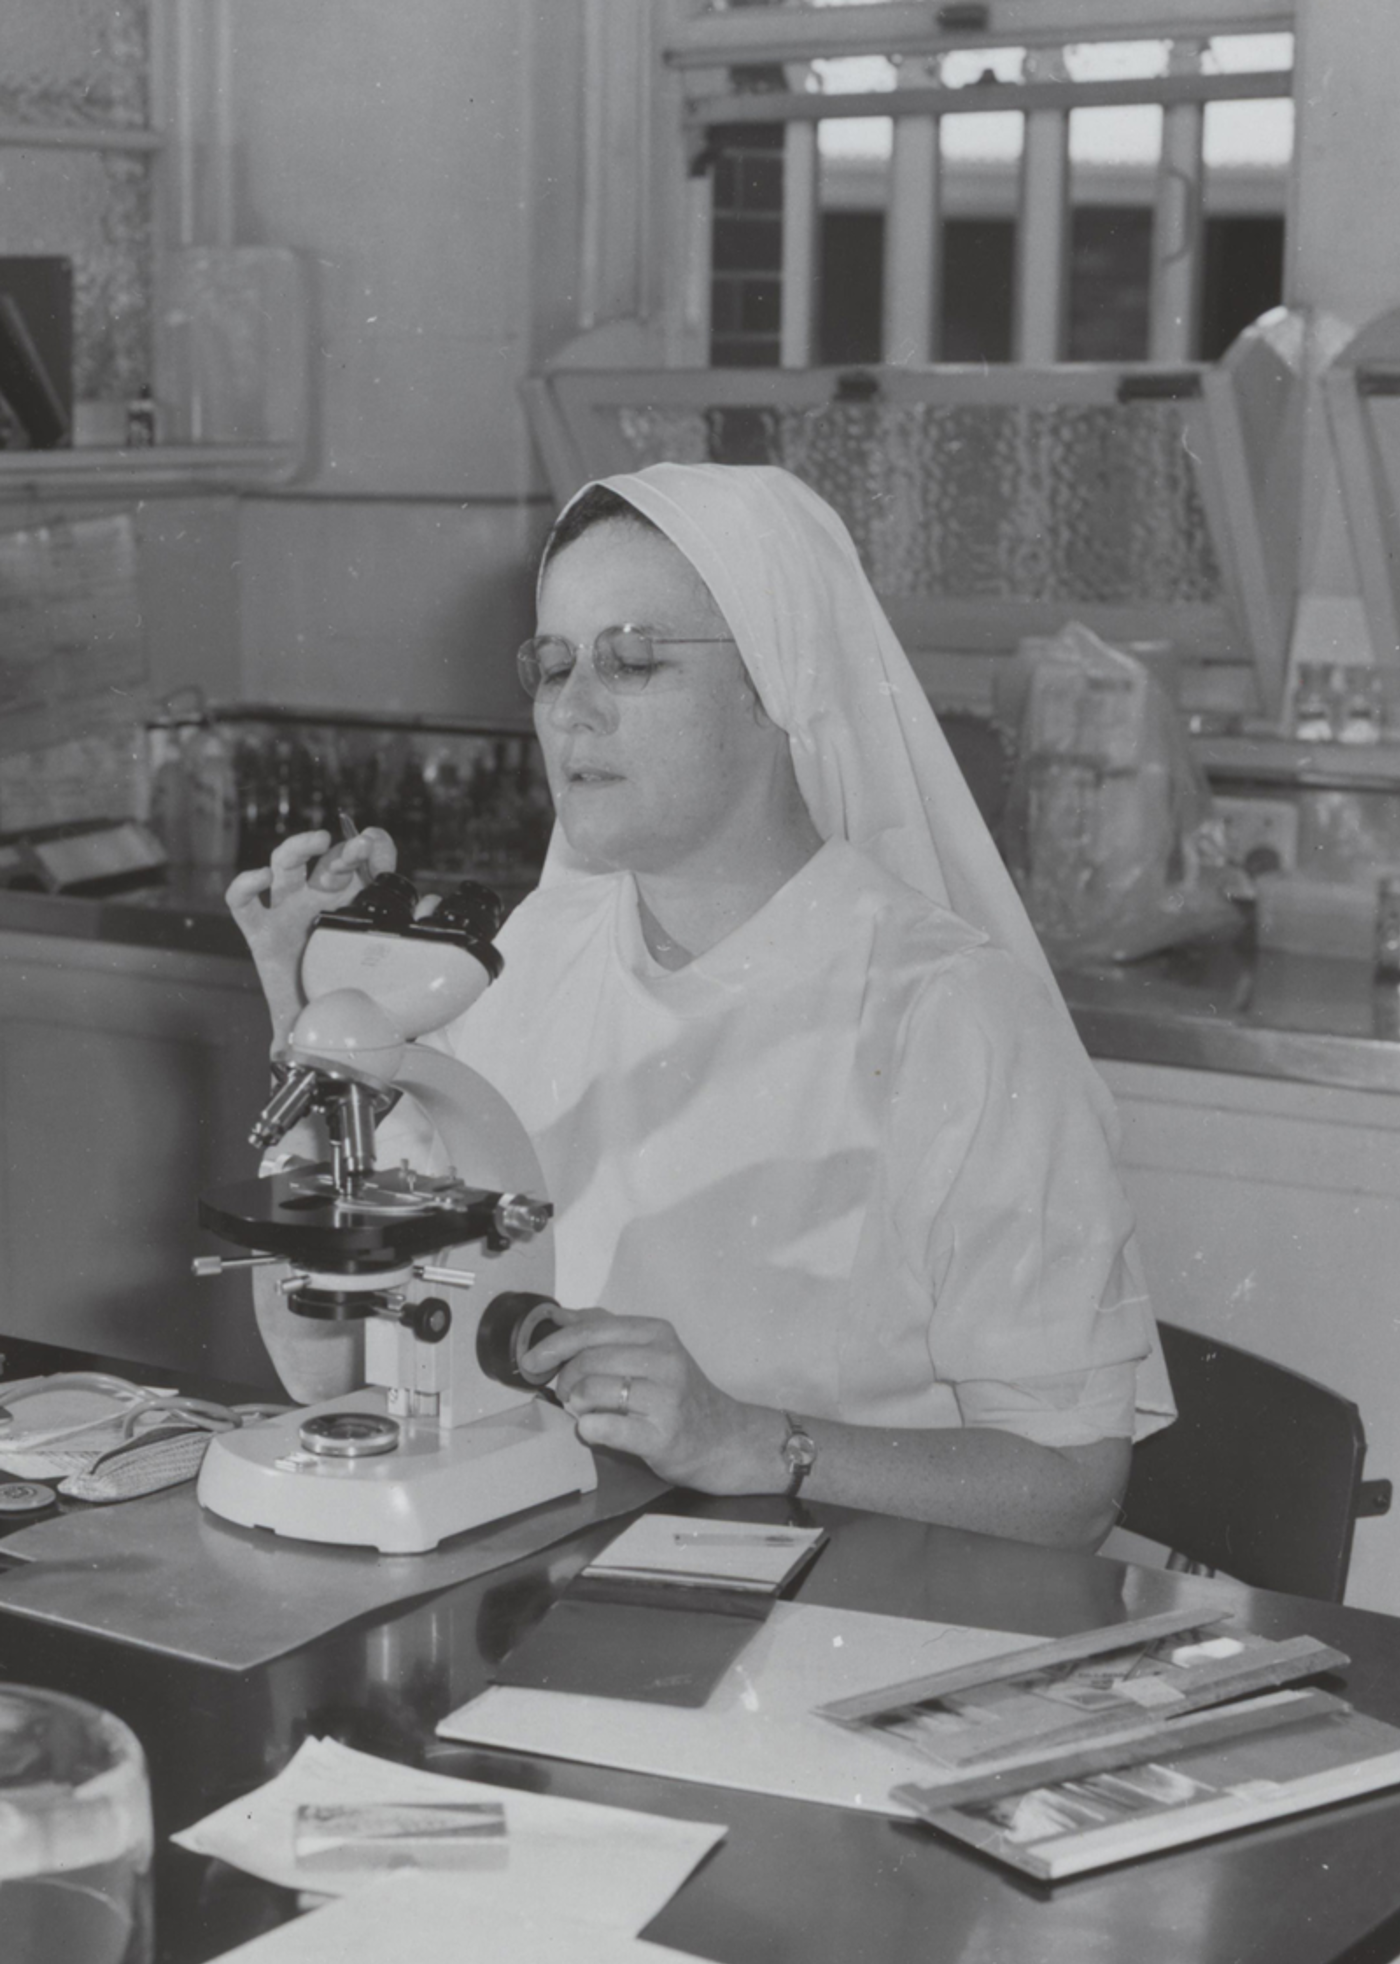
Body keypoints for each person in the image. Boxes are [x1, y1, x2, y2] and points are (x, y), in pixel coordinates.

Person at [229, 462, 1172, 1550]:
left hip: (857, 1618)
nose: (572, 712)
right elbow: (328, 1366)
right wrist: (306, 1011)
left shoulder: (948, 1015)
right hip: (553, 1578)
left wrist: (756, 1443)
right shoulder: (523, 960)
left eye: (631, 661)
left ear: (775, 685)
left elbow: (1070, 1488)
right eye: (550, 665)